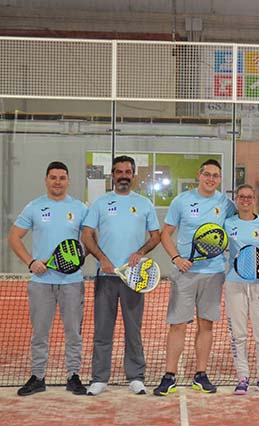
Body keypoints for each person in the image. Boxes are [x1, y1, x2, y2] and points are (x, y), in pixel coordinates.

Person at [153, 159, 259, 396]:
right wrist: (176, 258)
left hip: (215, 273)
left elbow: (247, 216)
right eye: (207, 174)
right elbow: (165, 234)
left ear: (220, 179)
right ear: (199, 175)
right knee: (178, 325)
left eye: (215, 176)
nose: (211, 179)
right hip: (186, 273)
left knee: (205, 325)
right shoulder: (181, 201)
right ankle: (169, 376)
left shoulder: (225, 203)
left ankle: (201, 374)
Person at [82, 155, 161, 396]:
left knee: (133, 330)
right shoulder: (100, 203)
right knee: (103, 330)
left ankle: (135, 377)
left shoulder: (145, 204)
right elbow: (87, 235)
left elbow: (156, 236)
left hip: (134, 279)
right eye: (119, 172)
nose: (124, 176)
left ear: (134, 175)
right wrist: (102, 259)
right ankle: (99, 378)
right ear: (113, 175)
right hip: (105, 278)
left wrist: (140, 252)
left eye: (128, 172)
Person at [8, 161, 88, 396]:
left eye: (62, 177)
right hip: (41, 283)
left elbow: (89, 239)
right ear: (46, 179)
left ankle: (73, 376)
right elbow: (14, 238)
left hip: (72, 281)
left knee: (73, 332)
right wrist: (31, 262)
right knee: (40, 333)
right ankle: (38, 376)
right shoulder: (34, 207)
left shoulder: (80, 208)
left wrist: (80, 257)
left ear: (68, 180)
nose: (57, 182)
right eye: (53, 177)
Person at [224, 184, 259, 395]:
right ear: (236, 199)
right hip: (234, 284)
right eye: (242, 197)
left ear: (255, 200)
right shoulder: (227, 223)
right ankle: (242, 377)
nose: (245, 200)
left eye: (250, 197)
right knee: (238, 334)